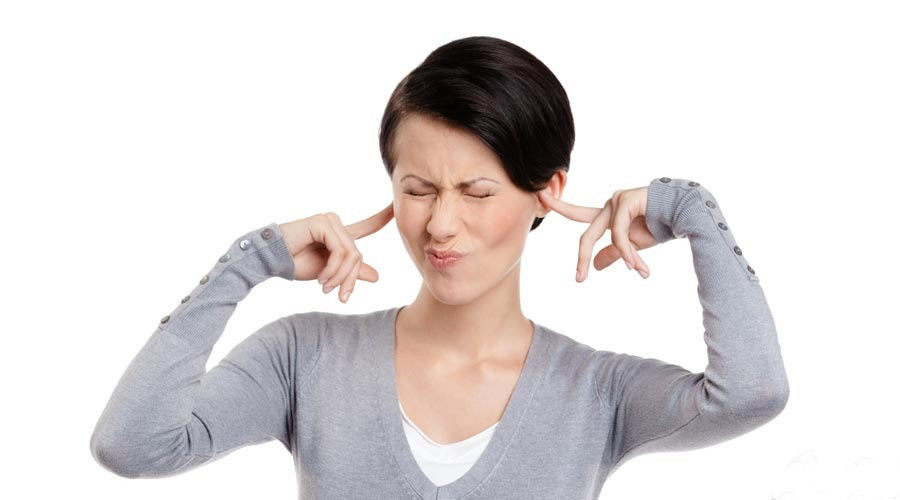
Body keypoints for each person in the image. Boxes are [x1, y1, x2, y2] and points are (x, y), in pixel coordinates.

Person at [89, 36, 789, 499]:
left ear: (547, 191)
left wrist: (691, 210)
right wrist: (247, 263)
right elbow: (131, 445)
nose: (440, 225)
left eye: (477, 192)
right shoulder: (304, 356)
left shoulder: (595, 392)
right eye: (417, 190)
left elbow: (751, 394)